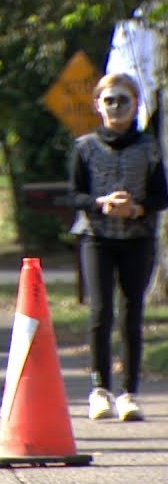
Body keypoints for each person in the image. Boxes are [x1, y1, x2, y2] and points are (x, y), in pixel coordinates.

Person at [69, 72, 166, 422]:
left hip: (137, 238)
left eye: (122, 100)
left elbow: (160, 195)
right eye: (109, 100)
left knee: (131, 315)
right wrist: (100, 202)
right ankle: (99, 389)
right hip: (97, 236)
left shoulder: (149, 148)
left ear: (135, 105)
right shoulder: (85, 146)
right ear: (98, 105)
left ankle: (129, 392)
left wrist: (136, 208)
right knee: (100, 312)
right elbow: (74, 193)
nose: (115, 107)